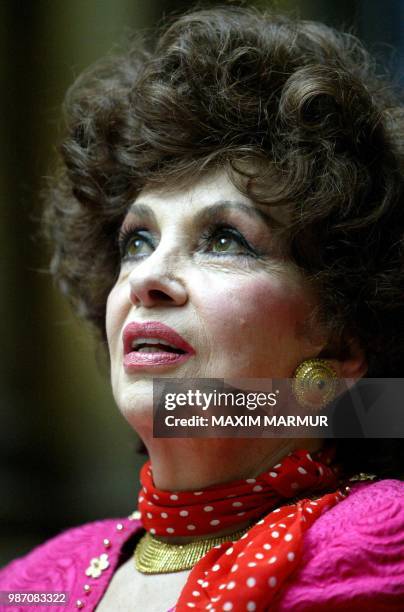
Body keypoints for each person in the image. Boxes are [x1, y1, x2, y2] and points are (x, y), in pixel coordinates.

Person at [1, 5, 403, 611]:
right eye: (136, 242)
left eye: (224, 240)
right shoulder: (35, 582)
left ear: (342, 341)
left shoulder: (385, 539)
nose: (148, 279)